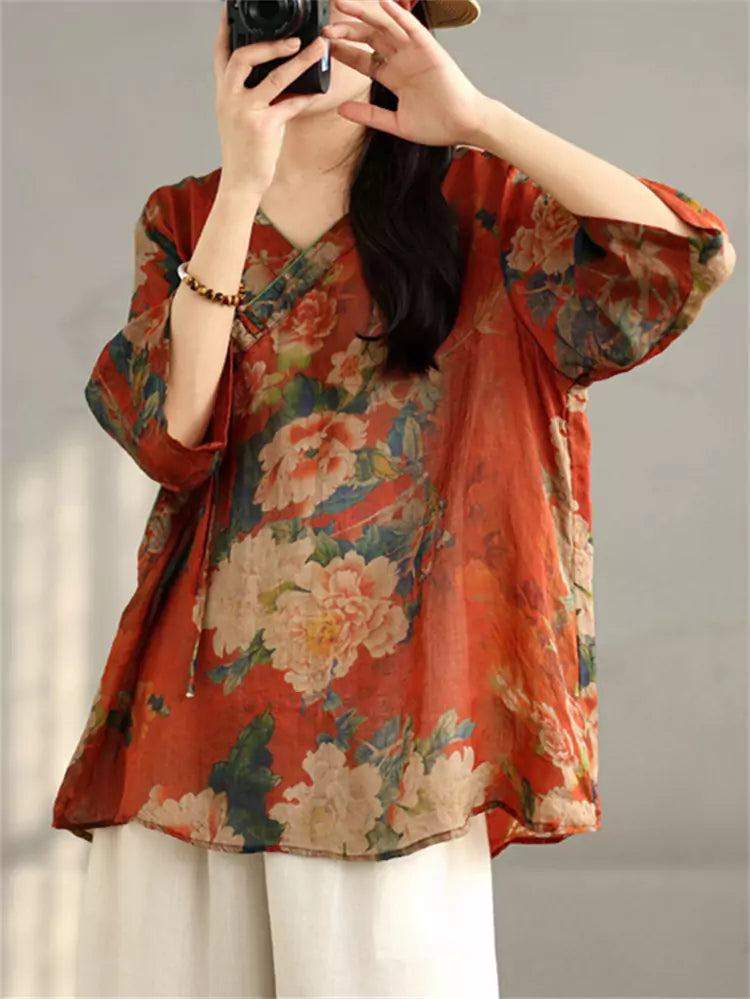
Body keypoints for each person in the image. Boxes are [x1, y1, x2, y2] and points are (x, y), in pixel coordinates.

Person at [53, 0, 736, 996]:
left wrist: (479, 119)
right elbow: (171, 434)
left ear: (406, 13)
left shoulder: (484, 203)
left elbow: (682, 258)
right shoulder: (189, 216)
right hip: (194, 731)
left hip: (400, 746)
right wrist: (244, 180)